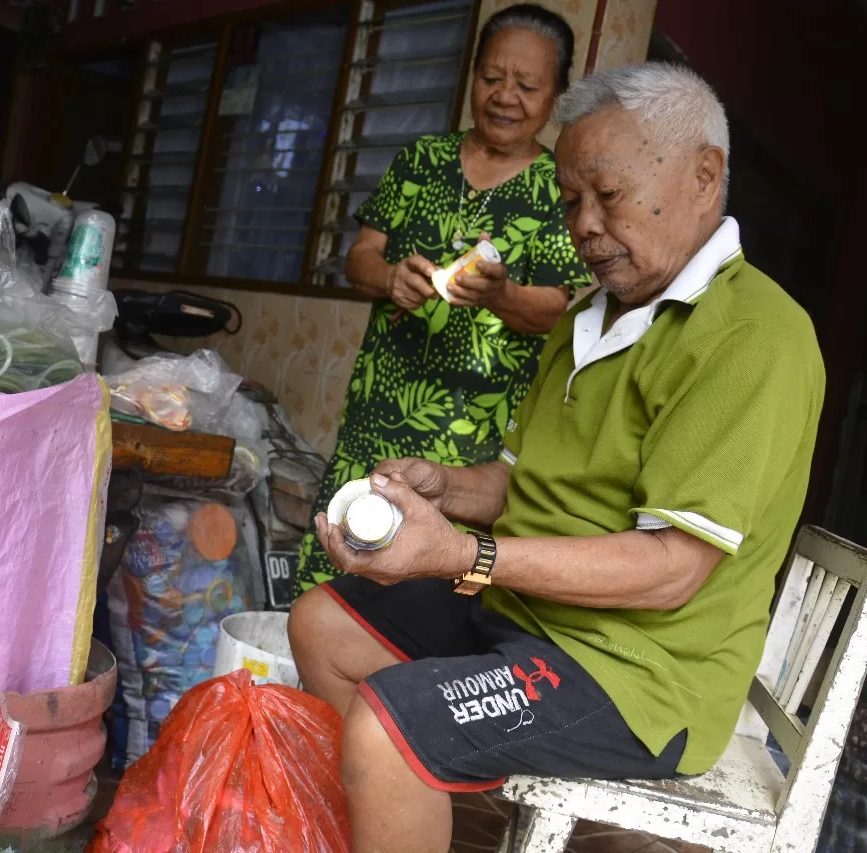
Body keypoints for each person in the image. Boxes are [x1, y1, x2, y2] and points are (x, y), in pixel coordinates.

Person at [288, 62, 826, 853]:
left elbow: (673, 566)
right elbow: (516, 483)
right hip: (527, 622)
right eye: (572, 201)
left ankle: (408, 800)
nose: (584, 225)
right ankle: (413, 826)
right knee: (320, 623)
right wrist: (443, 489)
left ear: (705, 176)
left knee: (389, 727)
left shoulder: (753, 337)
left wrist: (460, 553)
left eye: (606, 196)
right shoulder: (590, 315)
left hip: (637, 674)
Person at [294, 4, 590, 596]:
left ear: (555, 97)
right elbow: (360, 258)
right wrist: (388, 279)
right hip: (381, 409)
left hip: (474, 438)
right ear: (472, 78)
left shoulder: (559, 187)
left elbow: (557, 310)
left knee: (423, 593)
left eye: (527, 85)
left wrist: (502, 293)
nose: (505, 96)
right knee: (339, 564)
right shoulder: (423, 159)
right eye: (491, 78)